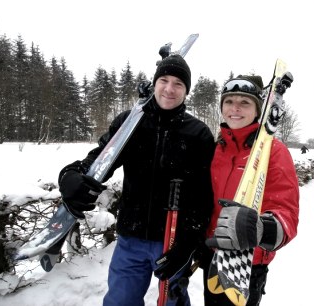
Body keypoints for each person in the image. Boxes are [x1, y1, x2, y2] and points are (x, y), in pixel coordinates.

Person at [58, 54, 215, 306]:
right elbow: (101, 159)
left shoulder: (198, 134)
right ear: (155, 83)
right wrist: (72, 174)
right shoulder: (131, 122)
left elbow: (204, 195)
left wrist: (187, 245)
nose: (169, 89)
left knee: (173, 302)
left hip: (172, 239)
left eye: (178, 83)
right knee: (120, 301)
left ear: (187, 91)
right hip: (131, 238)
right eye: (163, 80)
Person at [201, 75, 300, 306]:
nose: (235, 108)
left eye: (244, 103)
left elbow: (286, 213)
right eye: (229, 102)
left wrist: (261, 228)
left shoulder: (274, 152)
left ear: (257, 110)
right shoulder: (216, 150)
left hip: (248, 264)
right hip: (212, 256)